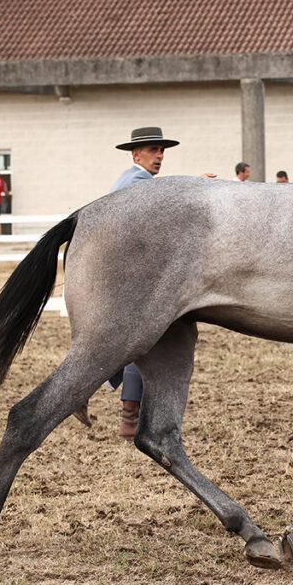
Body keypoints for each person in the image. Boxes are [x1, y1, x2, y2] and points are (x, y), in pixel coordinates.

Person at [108, 126, 179, 438]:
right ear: (135, 154)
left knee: (128, 344)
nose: (159, 156)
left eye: (161, 150)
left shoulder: (133, 179)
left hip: (126, 273)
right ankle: (128, 417)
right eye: (153, 150)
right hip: (132, 276)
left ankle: (126, 414)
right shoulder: (138, 182)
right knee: (142, 342)